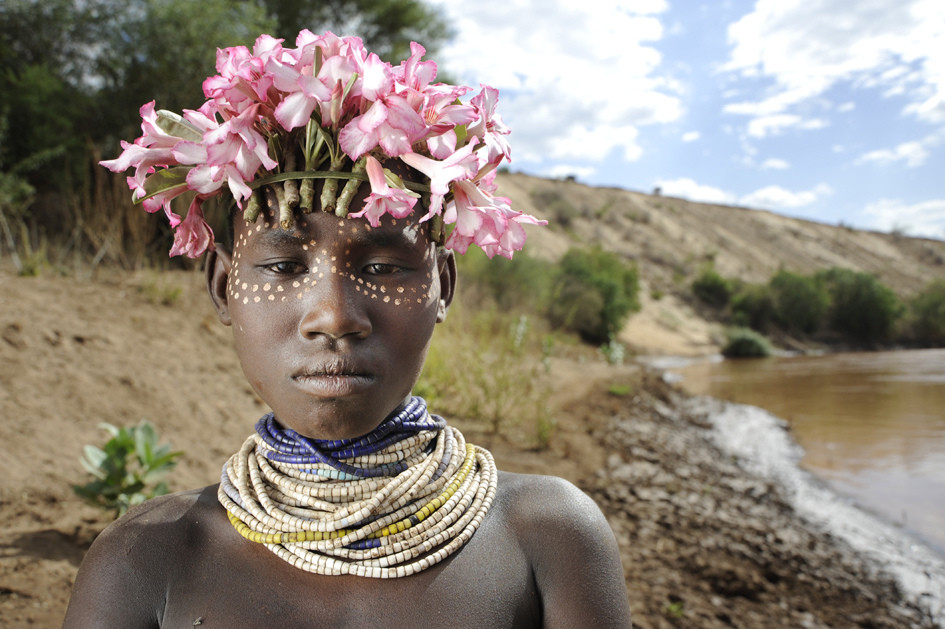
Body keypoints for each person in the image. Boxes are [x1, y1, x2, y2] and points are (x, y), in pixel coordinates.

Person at [64, 30, 632, 628]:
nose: (334, 317)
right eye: (283, 267)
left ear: (445, 285)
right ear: (220, 286)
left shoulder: (551, 539)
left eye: (383, 267)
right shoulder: (142, 560)